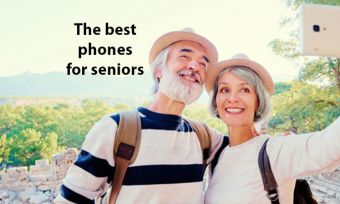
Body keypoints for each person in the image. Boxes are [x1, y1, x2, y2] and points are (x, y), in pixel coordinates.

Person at [54, 29, 225, 204]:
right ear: (159, 70)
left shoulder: (204, 137)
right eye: (184, 57)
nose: (195, 67)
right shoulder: (115, 129)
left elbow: (247, 146)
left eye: (203, 64)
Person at [204, 53, 340, 204]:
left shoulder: (275, 151)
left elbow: (329, 147)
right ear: (216, 100)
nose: (233, 98)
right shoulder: (218, 154)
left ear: (258, 101)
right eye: (224, 90)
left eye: (245, 90)